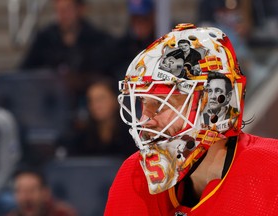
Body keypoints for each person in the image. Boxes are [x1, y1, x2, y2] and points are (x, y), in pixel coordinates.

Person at [104, 23, 278, 215]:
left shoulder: (271, 172)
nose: (145, 118)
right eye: (144, 102)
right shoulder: (133, 176)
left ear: (214, 103)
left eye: (161, 103)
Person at [19, 0, 114, 76]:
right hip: (52, 93)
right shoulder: (45, 39)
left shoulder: (97, 39)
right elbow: (25, 69)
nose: (63, 15)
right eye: (59, 10)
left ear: (80, 9)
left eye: (67, 9)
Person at [59, 76, 136, 158]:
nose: (96, 105)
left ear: (116, 99)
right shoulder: (80, 138)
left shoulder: (133, 136)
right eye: (91, 100)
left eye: (101, 99)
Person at [7, 167, 77, 216]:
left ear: (46, 193)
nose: (26, 197)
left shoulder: (63, 214)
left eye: (32, 190)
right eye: (21, 191)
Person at [115, 0, 156, 80]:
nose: (138, 23)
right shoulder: (123, 45)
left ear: (153, 16)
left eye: (144, 18)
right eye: (135, 18)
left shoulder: (166, 38)